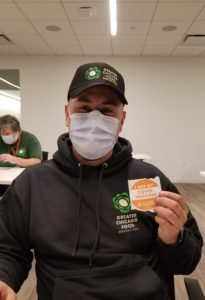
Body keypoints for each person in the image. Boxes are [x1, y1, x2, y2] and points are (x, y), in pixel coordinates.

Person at [0, 62, 203, 300]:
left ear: (121, 120)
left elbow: (187, 262)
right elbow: (9, 249)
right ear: (68, 114)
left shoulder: (149, 180)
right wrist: (4, 278)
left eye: (107, 111)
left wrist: (174, 240)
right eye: (84, 108)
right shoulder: (33, 184)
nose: (94, 120)